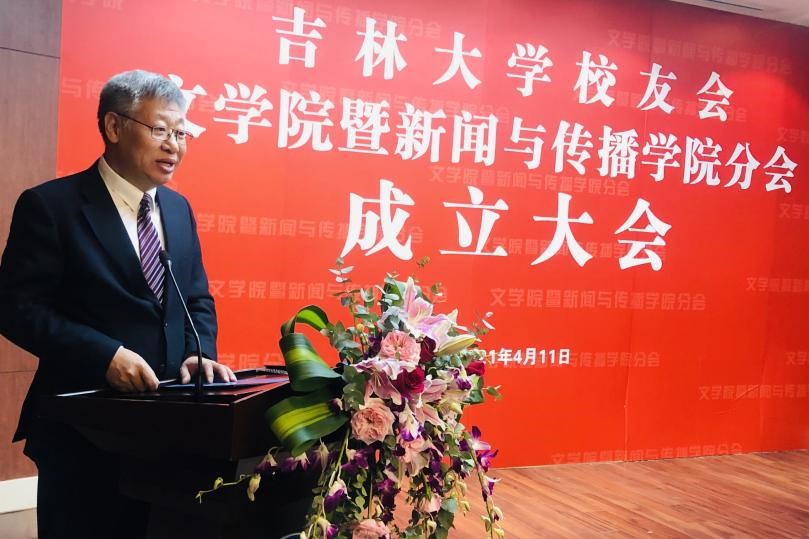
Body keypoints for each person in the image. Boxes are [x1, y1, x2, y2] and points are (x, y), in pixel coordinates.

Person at [0, 70, 236, 538]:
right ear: (113, 126)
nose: (174, 146)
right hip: (84, 432)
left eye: (181, 133)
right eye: (161, 129)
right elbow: (16, 308)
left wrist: (199, 351)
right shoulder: (52, 206)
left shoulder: (177, 209)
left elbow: (196, 298)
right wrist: (104, 355)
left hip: (171, 434)